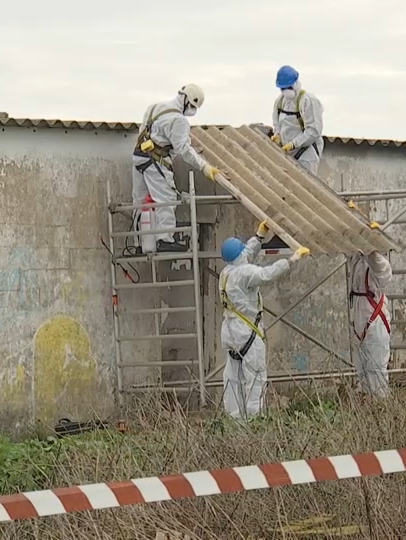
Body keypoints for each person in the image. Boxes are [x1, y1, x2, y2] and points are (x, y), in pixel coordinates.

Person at [220, 221, 310, 419]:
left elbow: (246, 255)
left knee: (233, 381)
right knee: (255, 379)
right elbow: (266, 274)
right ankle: (255, 420)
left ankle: (236, 423)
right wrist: (291, 260)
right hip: (248, 333)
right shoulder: (245, 273)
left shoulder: (227, 273)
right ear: (239, 254)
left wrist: (259, 237)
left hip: (232, 332)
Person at [132, 84, 221, 253]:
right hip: (155, 160)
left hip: (138, 157)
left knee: (139, 200)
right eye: (193, 107)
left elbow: (143, 131)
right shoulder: (178, 120)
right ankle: (165, 239)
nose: (193, 111)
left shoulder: (154, 108)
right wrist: (204, 167)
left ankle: (139, 243)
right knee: (167, 198)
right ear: (187, 100)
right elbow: (184, 149)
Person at [347, 250, 393, 398]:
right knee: (362, 370)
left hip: (375, 322)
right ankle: (367, 406)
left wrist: (368, 245)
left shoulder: (380, 265)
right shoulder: (356, 261)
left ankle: (381, 407)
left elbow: (378, 264)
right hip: (360, 319)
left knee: (377, 370)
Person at [270, 65, 325, 175]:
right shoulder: (280, 101)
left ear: (295, 84)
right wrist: (277, 134)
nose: (286, 91)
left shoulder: (308, 101)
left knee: (306, 186)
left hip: (306, 154)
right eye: (283, 88)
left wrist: (294, 144)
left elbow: (314, 131)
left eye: (288, 88)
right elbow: (277, 123)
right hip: (286, 154)